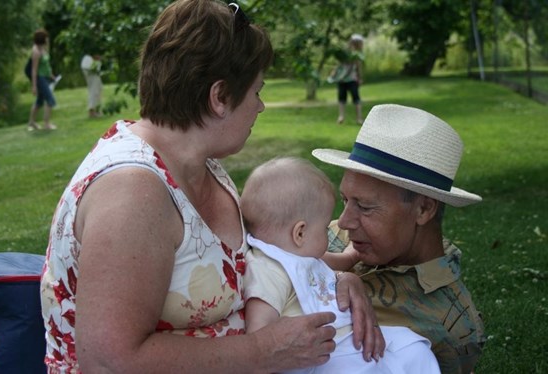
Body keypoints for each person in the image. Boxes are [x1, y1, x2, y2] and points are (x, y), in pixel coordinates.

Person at [40, 1, 383, 372]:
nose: (261, 106)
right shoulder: (132, 192)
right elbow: (110, 363)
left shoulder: (200, 163)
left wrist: (338, 279)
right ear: (219, 97)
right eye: (256, 91)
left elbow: (263, 255)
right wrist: (260, 352)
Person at [312, 103, 487, 374]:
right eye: (346, 200)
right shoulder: (334, 234)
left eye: (366, 207)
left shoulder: (448, 326)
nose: (344, 221)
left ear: (424, 209)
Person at [241, 157, 441, 374]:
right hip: (319, 358)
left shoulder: (301, 254)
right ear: (300, 233)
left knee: (413, 347)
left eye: (364, 207)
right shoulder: (269, 270)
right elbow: (260, 339)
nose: (342, 224)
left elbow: (340, 262)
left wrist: (352, 256)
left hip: (346, 342)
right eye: (326, 228)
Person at [328, 34, 364, 125]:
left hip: (352, 79)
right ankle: (341, 117)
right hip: (342, 79)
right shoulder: (344, 53)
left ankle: (359, 118)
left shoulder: (357, 55)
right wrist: (334, 73)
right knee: (341, 99)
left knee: (356, 98)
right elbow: (338, 65)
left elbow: (358, 67)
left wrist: (359, 78)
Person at [27, 28, 57, 131]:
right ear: (42, 38)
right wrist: (34, 86)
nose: (48, 39)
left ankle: (31, 122)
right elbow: (34, 70)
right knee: (50, 100)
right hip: (40, 79)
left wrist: (51, 75)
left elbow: (46, 65)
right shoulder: (36, 51)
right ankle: (46, 123)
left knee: (39, 101)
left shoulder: (43, 48)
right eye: (46, 37)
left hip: (46, 77)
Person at [80, 53, 103, 118]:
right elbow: (90, 68)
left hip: (94, 75)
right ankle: (92, 111)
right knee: (94, 92)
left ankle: (96, 110)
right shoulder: (87, 59)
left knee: (97, 91)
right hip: (92, 76)